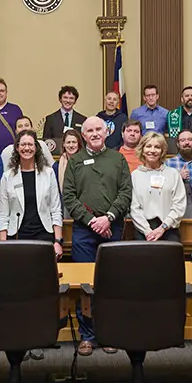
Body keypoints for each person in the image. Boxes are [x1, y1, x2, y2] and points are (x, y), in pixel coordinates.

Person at [62, 116, 132, 351]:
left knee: (110, 283)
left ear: (106, 132)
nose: (94, 133)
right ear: (83, 135)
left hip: (113, 227)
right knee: (86, 285)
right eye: (89, 130)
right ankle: (87, 335)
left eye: (98, 129)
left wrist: (108, 217)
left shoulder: (118, 159)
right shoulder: (75, 162)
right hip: (84, 230)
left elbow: (125, 193)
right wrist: (92, 221)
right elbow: (69, 197)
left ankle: (109, 333)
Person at [0, 129, 64, 255]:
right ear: (17, 148)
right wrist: (3, 244)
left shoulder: (48, 173)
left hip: (44, 235)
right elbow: (3, 215)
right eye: (23, 144)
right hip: (17, 236)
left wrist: (58, 241)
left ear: (36, 147)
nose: (26, 148)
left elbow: (56, 210)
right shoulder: (7, 176)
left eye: (30, 144)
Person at [130, 131, 186, 244]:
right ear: (142, 149)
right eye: (148, 146)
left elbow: (179, 205)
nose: (152, 150)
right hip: (143, 232)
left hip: (169, 230)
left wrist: (163, 227)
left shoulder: (173, 174)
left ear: (162, 151)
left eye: (157, 147)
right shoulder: (134, 176)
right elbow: (134, 208)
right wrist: (147, 231)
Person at [165, 128, 192, 218]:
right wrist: (178, 177)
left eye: (190, 139)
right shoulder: (168, 163)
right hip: (176, 212)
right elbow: (164, 189)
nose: (186, 143)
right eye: (182, 140)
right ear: (178, 144)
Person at [40, 84, 82, 152]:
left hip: (77, 156)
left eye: (71, 98)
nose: (68, 101)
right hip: (56, 155)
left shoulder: (82, 119)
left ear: (75, 101)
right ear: (60, 99)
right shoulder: (50, 119)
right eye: (65, 97)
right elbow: (46, 141)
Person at [55, 126, 84, 192]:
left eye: (74, 142)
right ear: (63, 144)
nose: (71, 145)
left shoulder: (86, 163)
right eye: (68, 142)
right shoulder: (56, 166)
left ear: (78, 144)